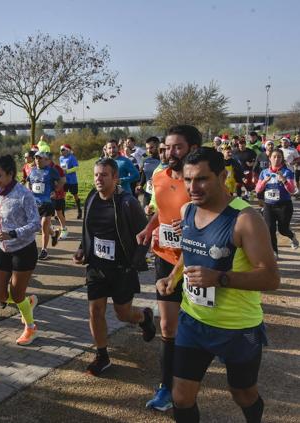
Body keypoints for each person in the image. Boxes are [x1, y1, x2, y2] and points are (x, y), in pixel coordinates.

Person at [156, 147, 279, 423]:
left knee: (242, 393)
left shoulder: (246, 219)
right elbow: (191, 249)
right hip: (193, 321)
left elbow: (271, 277)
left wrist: (220, 278)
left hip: (237, 327)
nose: (192, 187)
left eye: (201, 179)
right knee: (181, 397)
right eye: (187, 180)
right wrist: (173, 276)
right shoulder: (187, 210)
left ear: (222, 176)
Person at [137, 124, 201, 411]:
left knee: (201, 323)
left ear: (193, 149)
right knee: (167, 324)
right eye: (167, 146)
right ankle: (165, 386)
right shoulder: (159, 175)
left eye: (177, 147)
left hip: (197, 261)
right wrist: (148, 228)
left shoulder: (199, 182)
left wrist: (190, 225)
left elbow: (216, 218)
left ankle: (192, 377)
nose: (170, 152)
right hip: (164, 257)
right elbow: (162, 212)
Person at [73, 158, 156, 376]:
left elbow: (145, 235)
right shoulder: (92, 197)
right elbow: (89, 229)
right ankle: (102, 355)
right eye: (96, 175)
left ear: (115, 177)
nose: (98, 179)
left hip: (121, 268)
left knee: (123, 314)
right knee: (95, 311)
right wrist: (83, 248)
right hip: (97, 267)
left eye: (104, 175)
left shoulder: (127, 202)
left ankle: (144, 316)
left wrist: (135, 263)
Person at [0, 155, 41, 345]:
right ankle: (28, 303)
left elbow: (36, 224)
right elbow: (0, 219)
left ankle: (31, 328)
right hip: (2, 248)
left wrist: (13, 233)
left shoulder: (24, 194)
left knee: (17, 295)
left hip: (23, 249)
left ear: (11, 174)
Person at [255, 149, 299, 256]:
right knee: (270, 229)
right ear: (269, 158)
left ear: (282, 159)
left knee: (283, 230)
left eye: (279, 157)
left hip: (284, 205)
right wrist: (265, 181)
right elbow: (257, 190)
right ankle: (274, 251)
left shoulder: (287, 172)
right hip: (269, 205)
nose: (276, 159)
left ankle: (292, 236)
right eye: (274, 156)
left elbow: (292, 190)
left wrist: (284, 180)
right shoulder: (264, 172)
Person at [27, 151, 61, 260]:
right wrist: (28, 190)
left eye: (40, 158)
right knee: (40, 226)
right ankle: (54, 233)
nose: (37, 160)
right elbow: (29, 182)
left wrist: (55, 191)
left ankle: (44, 250)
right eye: (36, 158)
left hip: (48, 202)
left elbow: (61, 181)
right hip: (35, 202)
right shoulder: (32, 171)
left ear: (46, 160)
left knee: (43, 226)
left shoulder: (51, 171)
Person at [59, 144, 83, 219]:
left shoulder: (72, 158)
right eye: (61, 150)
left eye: (63, 150)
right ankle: (62, 214)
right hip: (64, 181)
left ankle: (79, 210)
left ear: (68, 150)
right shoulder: (61, 158)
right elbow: (61, 168)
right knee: (63, 196)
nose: (61, 151)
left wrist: (67, 171)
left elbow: (76, 168)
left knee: (75, 195)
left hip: (72, 180)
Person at [138, 137, 162, 207]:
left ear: (158, 146)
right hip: (148, 193)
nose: (149, 151)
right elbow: (144, 173)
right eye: (147, 148)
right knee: (146, 215)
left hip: (160, 193)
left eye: (151, 148)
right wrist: (141, 185)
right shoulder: (145, 160)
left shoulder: (163, 160)